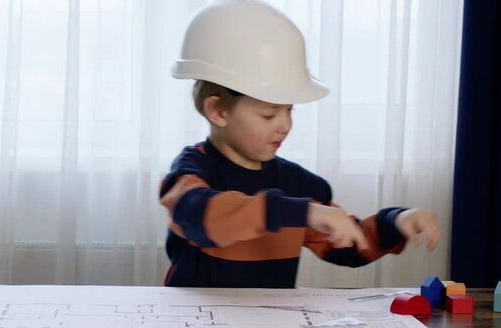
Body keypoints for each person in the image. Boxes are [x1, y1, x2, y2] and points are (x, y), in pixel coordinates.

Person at [159, 0, 441, 288]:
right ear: (218, 111)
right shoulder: (191, 173)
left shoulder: (298, 186)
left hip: (268, 326)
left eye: (289, 110)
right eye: (269, 114)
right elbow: (200, 216)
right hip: (195, 325)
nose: (285, 125)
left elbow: (351, 243)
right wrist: (305, 212)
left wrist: (396, 222)